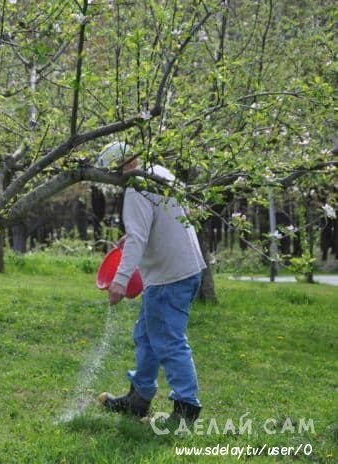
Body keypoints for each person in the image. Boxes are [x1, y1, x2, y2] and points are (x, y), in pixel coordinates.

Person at [95, 141, 207, 422]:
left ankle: (186, 408)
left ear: (120, 168)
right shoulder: (159, 173)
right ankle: (139, 398)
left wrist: (120, 281)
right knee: (146, 336)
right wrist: (132, 237)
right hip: (183, 269)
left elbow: (138, 238)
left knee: (169, 341)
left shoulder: (136, 188)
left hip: (170, 276)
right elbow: (159, 221)